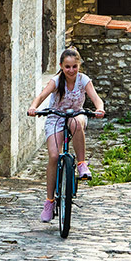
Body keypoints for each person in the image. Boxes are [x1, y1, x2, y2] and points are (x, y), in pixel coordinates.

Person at [27, 47, 104, 223]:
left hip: (76, 114)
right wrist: (33, 107)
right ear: (61, 66)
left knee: (76, 122)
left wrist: (100, 108)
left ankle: (82, 164)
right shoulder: (56, 81)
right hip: (56, 117)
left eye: (74, 66)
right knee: (54, 156)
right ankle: (49, 201)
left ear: (79, 66)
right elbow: (40, 97)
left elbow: (96, 98)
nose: (71, 70)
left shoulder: (84, 80)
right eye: (67, 67)